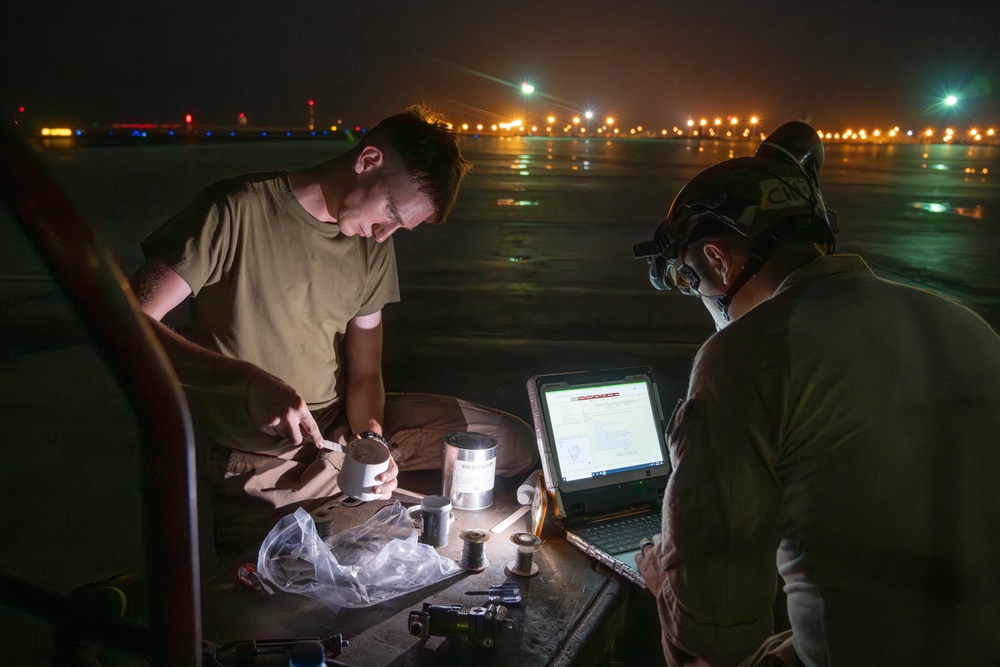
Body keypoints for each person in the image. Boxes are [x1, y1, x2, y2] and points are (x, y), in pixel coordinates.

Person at [631, 121, 1000, 666]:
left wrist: (667, 583)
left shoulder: (747, 353)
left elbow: (715, 631)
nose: (702, 296)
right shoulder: (965, 325)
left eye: (691, 280)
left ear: (716, 257)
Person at [129, 105, 536, 555]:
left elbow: (364, 373)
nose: (384, 235)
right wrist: (246, 381)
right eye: (390, 212)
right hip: (261, 448)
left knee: (510, 443)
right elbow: (128, 324)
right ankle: (320, 500)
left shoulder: (371, 246)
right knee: (304, 566)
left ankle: (353, 483)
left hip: (340, 427)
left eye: (400, 227)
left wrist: (374, 444)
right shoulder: (235, 210)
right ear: (367, 161)